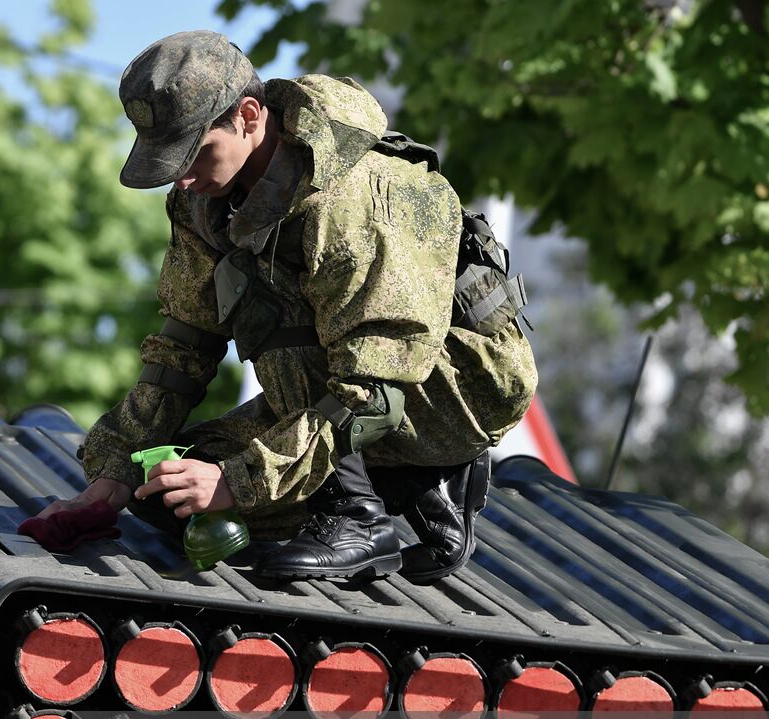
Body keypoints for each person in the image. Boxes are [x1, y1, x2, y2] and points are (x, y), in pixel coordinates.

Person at [34, 30, 537, 582]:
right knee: (169, 489)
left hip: (449, 386)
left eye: (196, 152)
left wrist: (239, 483)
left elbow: (374, 388)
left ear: (248, 116)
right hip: (337, 390)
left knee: (275, 341)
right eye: (169, 157)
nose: (182, 176)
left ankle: (360, 515)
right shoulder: (203, 202)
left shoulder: (350, 199)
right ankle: (408, 482)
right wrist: (112, 477)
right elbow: (183, 347)